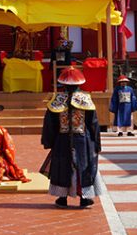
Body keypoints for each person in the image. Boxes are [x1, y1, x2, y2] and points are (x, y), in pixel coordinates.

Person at [41, 66, 101, 209]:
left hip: (62, 139)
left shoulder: (56, 100)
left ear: (63, 84)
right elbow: (93, 123)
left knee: (62, 166)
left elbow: (50, 123)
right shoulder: (86, 99)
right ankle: (84, 198)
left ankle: (62, 198)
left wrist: (49, 141)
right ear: (79, 83)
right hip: (82, 138)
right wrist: (96, 142)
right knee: (83, 166)